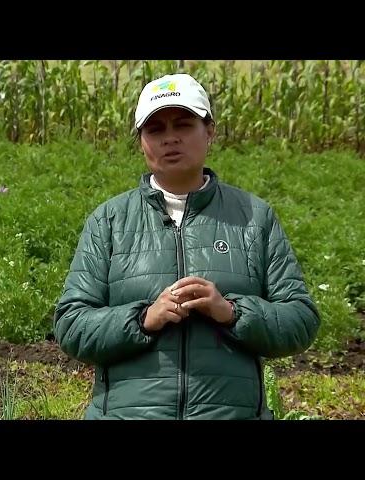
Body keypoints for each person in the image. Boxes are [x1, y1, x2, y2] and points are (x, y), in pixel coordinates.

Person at [53, 73, 320, 420]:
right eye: (155, 130)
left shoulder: (254, 217)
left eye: (183, 124)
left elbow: (300, 320)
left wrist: (231, 312)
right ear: (141, 142)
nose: (170, 139)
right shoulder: (109, 221)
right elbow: (72, 325)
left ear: (209, 132)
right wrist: (144, 318)